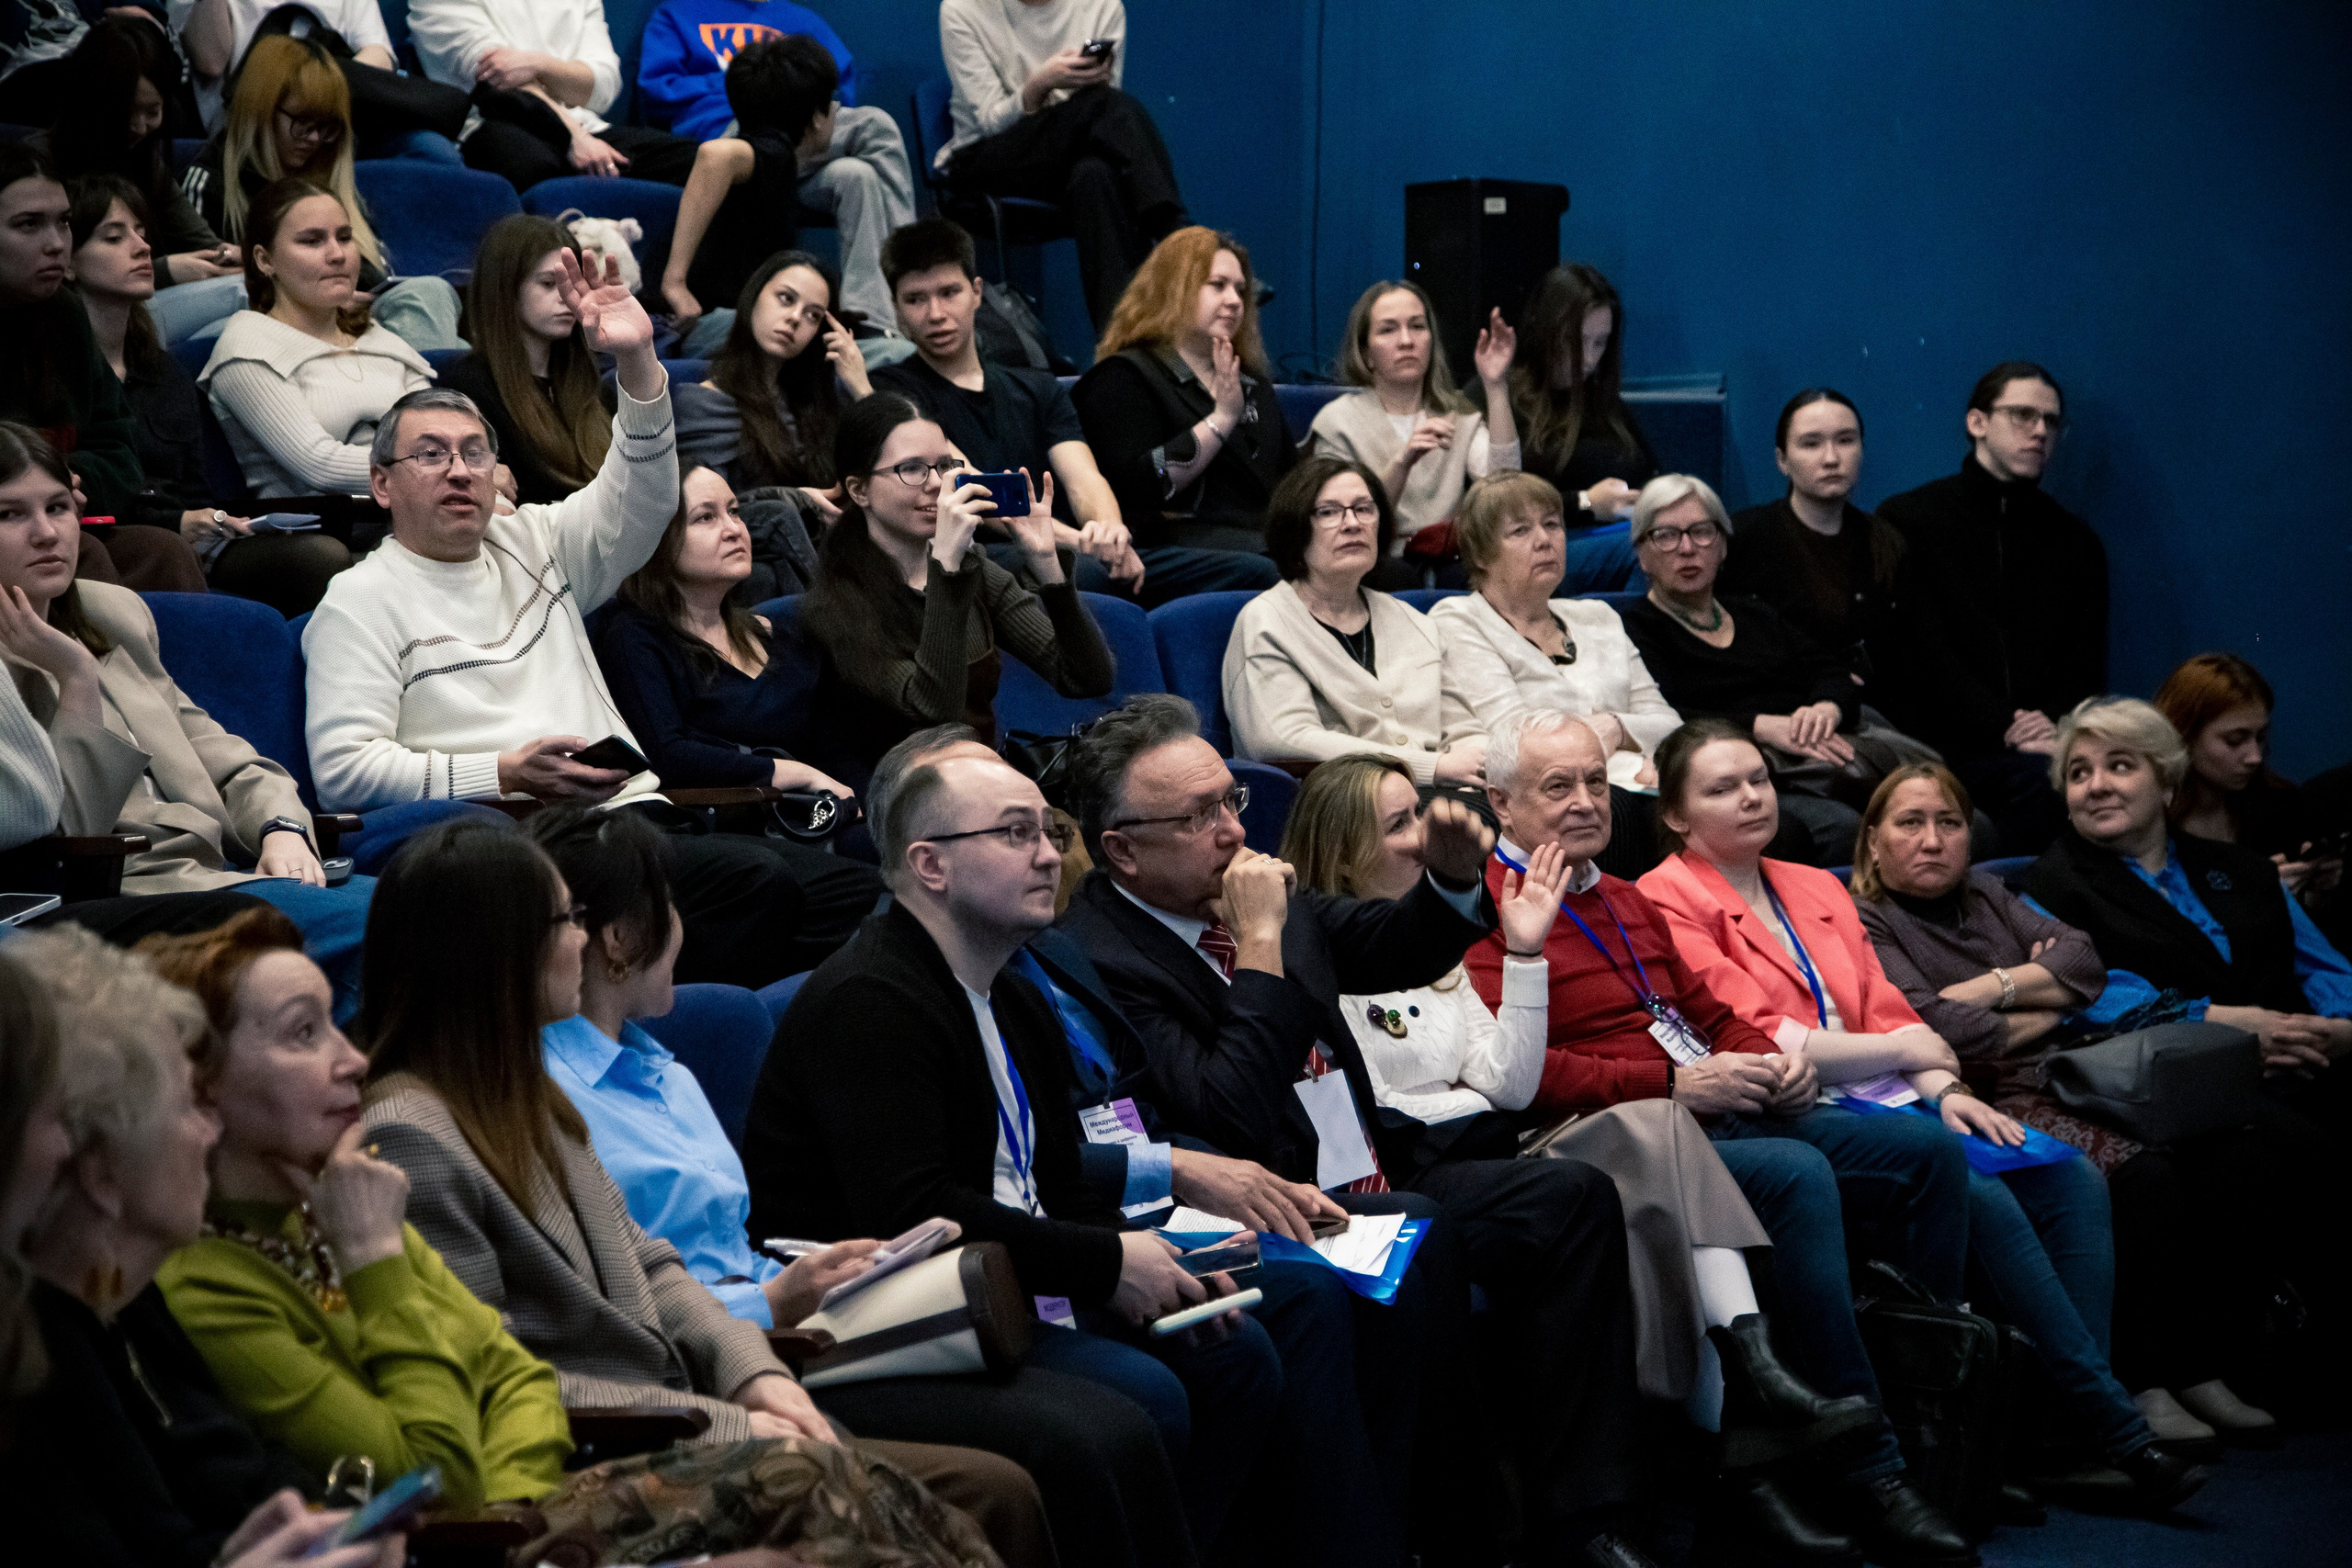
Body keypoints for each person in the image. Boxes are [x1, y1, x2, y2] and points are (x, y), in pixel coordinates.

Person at [1055, 694, 1657, 1568]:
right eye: (1199, 816)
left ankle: (1587, 1516)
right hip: (1262, 1202)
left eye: (1233, 802)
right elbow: (1226, 1108)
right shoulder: (1101, 957)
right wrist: (1258, 946)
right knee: (1421, 1231)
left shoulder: (1265, 895)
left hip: (1368, 1164)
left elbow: (1391, 943)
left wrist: (1454, 883)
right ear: (1122, 849)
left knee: (1569, 1199)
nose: (1231, 830)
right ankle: (1451, 1532)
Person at [352, 819, 1046, 1565]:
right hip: (580, 1457)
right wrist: (718, 1419)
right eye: (565, 921)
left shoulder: (520, 1091)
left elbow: (650, 1266)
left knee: (996, 1490)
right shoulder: (412, 1134)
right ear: (495, 948)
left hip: (671, 1414)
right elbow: (495, 1371)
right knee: (962, 1487)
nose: (582, 942)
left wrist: (752, 1373)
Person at [848, 724, 1432, 1568]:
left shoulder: (1016, 971)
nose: (1051, 853)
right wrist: (1117, 1258)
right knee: (1267, 1314)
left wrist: (1136, 1234)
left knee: (1335, 1278)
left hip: (1089, 1219)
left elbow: (1055, 1158)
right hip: (942, 1299)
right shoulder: (883, 997)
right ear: (927, 861)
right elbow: (935, 1205)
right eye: (1015, 834)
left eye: (1045, 828)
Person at [1634, 719, 2207, 1507]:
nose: (1751, 796)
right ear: (1674, 813)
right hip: (1801, 1106)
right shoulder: (1663, 899)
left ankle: (2043, 1432)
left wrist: (1950, 1091)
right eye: (1722, 787)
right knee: (1984, 1196)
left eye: (1759, 779)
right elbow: (1777, 1037)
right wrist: (1911, 1048)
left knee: (2068, 1175)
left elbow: (1890, 1008)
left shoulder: (1813, 883)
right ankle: (2110, 1431)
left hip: (1895, 1095)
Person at [1461, 707, 1978, 1566]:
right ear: (1501, 802)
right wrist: (1673, 1080)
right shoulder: (1480, 905)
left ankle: (1935, 1413)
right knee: (1794, 1172)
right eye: (1558, 787)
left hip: (1714, 1105)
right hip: (1611, 1136)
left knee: (1923, 1153)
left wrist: (1763, 1061)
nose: (1587, 801)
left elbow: (1707, 1015)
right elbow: (1520, 1076)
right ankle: (1872, 1469)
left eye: (1596, 780)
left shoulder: (1622, 893)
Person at [300, 255, 884, 990]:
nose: (459, 470)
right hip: (522, 837)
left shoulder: (535, 541)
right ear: (381, 484)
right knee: (756, 884)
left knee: (852, 893)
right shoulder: (357, 599)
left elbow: (643, 499)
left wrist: (638, 361)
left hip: (636, 816)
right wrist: (503, 771)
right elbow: (344, 771)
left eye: (475, 453)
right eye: (431, 455)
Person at [1283, 752, 1869, 1471]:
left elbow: (1508, 1074)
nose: (1425, 841)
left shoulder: (1452, 940)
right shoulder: (1317, 953)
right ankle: (1749, 1389)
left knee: (1682, 1137)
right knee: (1689, 1138)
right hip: (1457, 1160)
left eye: (1421, 816)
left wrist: (1526, 953)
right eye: (1400, 823)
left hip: (1507, 1144)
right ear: (1344, 843)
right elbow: (1428, 1103)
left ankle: (1749, 1394)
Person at [1851, 761, 2310, 1450]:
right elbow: (1931, 1024)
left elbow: (2085, 962)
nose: (1932, 839)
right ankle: (2143, 1377)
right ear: (1874, 841)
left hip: (2069, 1074)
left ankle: (2202, 1365)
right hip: (1983, 1094)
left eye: (1949, 822)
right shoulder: (1868, 919)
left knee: (2236, 1154)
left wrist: (1990, 990)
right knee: (2143, 1175)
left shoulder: (1989, 892)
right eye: (1910, 823)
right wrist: (2045, 996)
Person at [0, 923, 406, 1568]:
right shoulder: (43, 1350)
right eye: (189, 1105)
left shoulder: (129, 1305)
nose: (210, 1129)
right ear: (102, 1170)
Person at [0, 419, 375, 1014]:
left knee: (440, 911)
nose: (47, 533)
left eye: (56, 507)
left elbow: (225, 755)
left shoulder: (113, 616)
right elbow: (68, 834)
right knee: (388, 933)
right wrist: (75, 678)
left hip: (220, 874)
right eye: (11, 515)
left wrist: (280, 826)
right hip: (124, 900)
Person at [878, 216, 1241, 602]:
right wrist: (1080, 542)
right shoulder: (894, 390)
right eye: (916, 299)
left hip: (1069, 545)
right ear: (897, 312)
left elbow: (1084, 478)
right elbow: (971, 487)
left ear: (977, 293)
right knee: (1089, 576)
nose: (935, 314)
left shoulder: (1037, 385)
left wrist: (1109, 531)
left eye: (949, 292)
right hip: (979, 552)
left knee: (1253, 573)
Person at [2024, 697, 2352, 1120]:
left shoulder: (2246, 869)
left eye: (2120, 766)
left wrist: (2338, 1030)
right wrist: (2222, 1024)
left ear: (2166, 786)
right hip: (2181, 1094)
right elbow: (2084, 993)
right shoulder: (2049, 889)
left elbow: (2322, 967)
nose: (2097, 785)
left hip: (2311, 1068)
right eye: (2078, 773)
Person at [1618, 473, 1948, 864]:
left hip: (1822, 752)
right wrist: (1762, 726)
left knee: (1967, 824)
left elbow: (1830, 671)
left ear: (1723, 545)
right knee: (1846, 831)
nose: (1687, 548)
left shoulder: (1754, 612)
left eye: (1702, 532)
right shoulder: (1634, 626)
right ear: (1641, 553)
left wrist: (1824, 708)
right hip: (1750, 776)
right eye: (1666, 535)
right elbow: (1667, 715)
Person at [67, 175, 352, 614]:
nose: (142, 247)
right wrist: (179, 521)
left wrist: (207, 520)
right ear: (67, 260)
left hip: (199, 534)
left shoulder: (163, 371)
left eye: (142, 233)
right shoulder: (54, 370)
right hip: (119, 535)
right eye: (113, 237)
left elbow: (194, 488)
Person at [799, 391, 1114, 783]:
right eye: (911, 469)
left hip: (984, 778)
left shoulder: (975, 569)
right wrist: (945, 565)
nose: (936, 484)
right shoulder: (836, 603)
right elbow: (934, 712)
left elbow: (1088, 679)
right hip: (902, 793)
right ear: (859, 490)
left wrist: (1047, 565)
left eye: (944, 466)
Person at [1426, 469, 1690, 876]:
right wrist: (1632, 745)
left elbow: (1672, 726)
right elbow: (1513, 733)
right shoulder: (1461, 619)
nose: (1544, 540)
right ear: (1480, 553)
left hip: (1636, 781)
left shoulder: (1598, 616)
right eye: (1519, 531)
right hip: (1562, 793)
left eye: (1552, 524)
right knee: (1622, 811)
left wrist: (1617, 727)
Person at [0, 141, 208, 592]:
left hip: (63, 519)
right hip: (14, 528)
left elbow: (118, 449)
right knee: (82, 557)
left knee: (163, 551)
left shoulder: (64, 314)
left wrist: (67, 486)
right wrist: (40, 492)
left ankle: (157, 669)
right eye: (28, 225)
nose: (56, 244)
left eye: (64, 223)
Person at [1874, 361, 2109, 761]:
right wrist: (2003, 721)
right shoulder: (1910, 520)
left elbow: (2084, 663)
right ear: (1977, 423)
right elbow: (1918, 651)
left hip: (2044, 746)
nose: (2039, 432)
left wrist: (2048, 720)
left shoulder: (2076, 542)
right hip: (1937, 747)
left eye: (2051, 422)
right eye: (2023, 415)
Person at [176, 36, 463, 351]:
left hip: (350, 323)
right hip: (275, 329)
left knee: (440, 313)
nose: (314, 138)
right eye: (302, 122)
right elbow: (216, 296)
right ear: (262, 110)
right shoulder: (211, 184)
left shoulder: (331, 183)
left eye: (326, 127)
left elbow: (373, 279)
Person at [1219, 456, 1485, 787]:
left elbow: (1464, 728)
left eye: (1364, 508)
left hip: (1438, 789)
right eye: (1329, 512)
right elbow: (1282, 739)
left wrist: (1483, 768)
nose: (1352, 523)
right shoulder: (1266, 621)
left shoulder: (1412, 620)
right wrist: (1430, 766)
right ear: (1295, 529)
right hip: (1340, 805)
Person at [594, 462, 854, 795]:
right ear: (655, 538)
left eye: (734, 511)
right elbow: (668, 756)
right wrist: (794, 773)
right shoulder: (634, 638)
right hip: (728, 823)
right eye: (706, 517)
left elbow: (834, 740)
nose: (734, 529)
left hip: (818, 807)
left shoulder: (774, 630)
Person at [936, 0, 1186, 329]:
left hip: (1071, 153)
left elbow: (1106, 127)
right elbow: (989, 121)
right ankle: (1180, 240)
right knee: (1111, 108)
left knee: (1096, 175)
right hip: (988, 159)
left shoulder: (1102, 6)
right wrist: (1042, 83)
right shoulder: (962, 10)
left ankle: (1123, 349)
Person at [198, 179, 434, 520]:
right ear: (265, 260)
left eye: (345, 237)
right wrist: (439, 472)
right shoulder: (247, 347)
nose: (337, 254)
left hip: (412, 513)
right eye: (312, 241)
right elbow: (320, 465)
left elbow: (440, 431)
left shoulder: (379, 338)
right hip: (318, 534)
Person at [660, 33, 913, 347]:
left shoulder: (774, 153)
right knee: (893, 356)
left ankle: (883, 318)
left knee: (855, 174)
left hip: (735, 315)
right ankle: (887, 328)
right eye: (831, 102)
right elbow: (714, 156)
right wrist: (675, 283)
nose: (837, 109)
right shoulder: (772, 154)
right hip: (711, 323)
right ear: (817, 119)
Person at [1072, 226, 1294, 568]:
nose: (1235, 301)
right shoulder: (1124, 376)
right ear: (1174, 290)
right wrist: (1221, 418)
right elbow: (1140, 488)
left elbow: (1290, 480)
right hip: (1174, 546)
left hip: (1260, 540)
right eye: (1217, 285)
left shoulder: (1251, 383)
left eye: (1239, 289)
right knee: (1269, 568)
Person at [1307, 278, 1519, 578]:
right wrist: (1402, 463)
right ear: (1366, 353)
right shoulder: (1337, 422)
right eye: (1388, 329)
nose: (1407, 340)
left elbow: (1506, 491)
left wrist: (1495, 386)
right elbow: (1342, 522)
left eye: (1418, 326)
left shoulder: (1457, 415)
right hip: (1375, 563)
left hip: (1450, 560)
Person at [36, 19, 239, 315]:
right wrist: (164, 271)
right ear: (92, 104)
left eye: (152, 112)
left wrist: (229, 256)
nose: (140, 127)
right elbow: (45, 279)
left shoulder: (146, 163)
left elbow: (204, 243)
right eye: (126, 113)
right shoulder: (39, 168)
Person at [406, 0, 697, 192]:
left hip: (588, 128)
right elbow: (498, 83)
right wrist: (571, 137)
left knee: (695, 163)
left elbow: (603, 85)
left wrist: (538, 64)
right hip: (493, 125)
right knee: (531, 161)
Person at [2154, 651, 2346, 931]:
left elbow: (2307, 937)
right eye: (2235, 740)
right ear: (2183, 734)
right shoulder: (2147, 819)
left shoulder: (2280, 808)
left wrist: (2317, 893)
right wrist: (2255, 895)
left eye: (2260, 737)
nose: (2254, 756)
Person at [437, 215, 612, 506]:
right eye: (548, 283)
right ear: (505, 289)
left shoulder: (599, 387)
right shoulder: (469, 388)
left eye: (574, 285)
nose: (567, 298)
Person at [674, 248, 865, 513]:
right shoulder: (705, 403)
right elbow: (706, 513)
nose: (796, 318)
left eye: (813, 315)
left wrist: (862, 388)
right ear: (754, 296)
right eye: (786, 299)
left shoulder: (816, 402)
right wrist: (791, 499)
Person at [1507, 264, 1655, 534]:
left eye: (1600, 343)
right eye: (1577, 342)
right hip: (1557, 544)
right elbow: (1498, 506)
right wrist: (1584, 503)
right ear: (1546, 332)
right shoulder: (1501, 396)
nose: (1588, 359)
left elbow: (1651, 471)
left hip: (1623, 535)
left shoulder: (1599, 397)